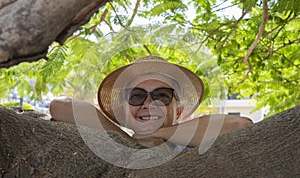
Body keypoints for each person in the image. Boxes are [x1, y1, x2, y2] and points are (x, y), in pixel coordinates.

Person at [50, 55, 253, 148]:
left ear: (179, 111)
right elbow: (59, 106)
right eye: (137, 95)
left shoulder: (193, 144)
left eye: (162, 95)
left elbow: (241, 125)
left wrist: (157, 133)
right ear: (123, 110)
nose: (149, 103)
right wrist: (127, 140)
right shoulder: (111, 143)